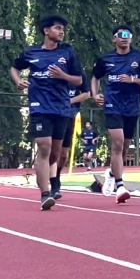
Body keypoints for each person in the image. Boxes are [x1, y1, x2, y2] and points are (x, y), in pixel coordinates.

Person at [11, 15, 84, 210]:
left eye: (63, 29)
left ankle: (46, 175)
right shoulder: (31, 52)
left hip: (61, 108)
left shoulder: (68, 53)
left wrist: (63, 75)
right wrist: (18, 81)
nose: (61, 32)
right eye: (58, 28)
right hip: (39, 107)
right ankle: (45, 193)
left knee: (55, 153)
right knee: (44, 146)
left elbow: (78, 81)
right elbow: (14, 68)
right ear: (46, 31)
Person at [91, 25, 140, 204]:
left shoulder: (139, 57)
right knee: (117, 144)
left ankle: (112, 173)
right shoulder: (106, 59)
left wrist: (133, 80)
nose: (125, 38)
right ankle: (120, 186)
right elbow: (95, 77)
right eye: (121, 35)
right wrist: (95, 94)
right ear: (114, 39)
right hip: (112, 105)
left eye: (128, 35)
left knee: (125, 148)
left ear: (132, 39)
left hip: (132, 107)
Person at [50, 70, 91, 199]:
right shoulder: (52, 70)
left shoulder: (78, 74)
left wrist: (70, 100)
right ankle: (53, 183)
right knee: (53, 151)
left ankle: (56, 174)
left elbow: (87, 94)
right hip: (54, 116)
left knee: (63, 155)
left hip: (70, 116)